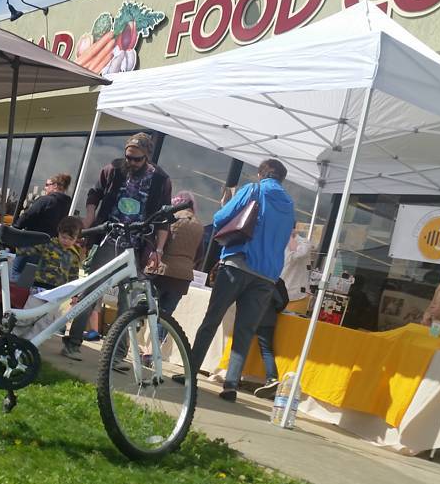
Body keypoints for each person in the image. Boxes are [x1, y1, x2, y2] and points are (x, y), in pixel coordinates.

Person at [175, 159, 295, 402]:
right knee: (245, 331)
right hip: (267, 276)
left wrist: (226, 204)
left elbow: (221, 218)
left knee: (212, 320)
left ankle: (191, 370)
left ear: (262, 174)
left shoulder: (254, 189)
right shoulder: (290, 206)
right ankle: (230, 384)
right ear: (281, 179)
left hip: (239, 263)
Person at [60, 133, 172, 362]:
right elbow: (95, 193)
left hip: (138, 246)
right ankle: (72, 343)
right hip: (109, 238)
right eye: (128, 157)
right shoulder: (114, 168)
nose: (131, 162)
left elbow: (164, 219)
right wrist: (90, 217)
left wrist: (158, 250)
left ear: (147, 157)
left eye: (137, 159)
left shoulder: (161, 179)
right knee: (91, 290)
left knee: (128, 300)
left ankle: (117, 356)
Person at [147, 191, 204, 319]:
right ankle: (159, 339)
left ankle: (132, 334)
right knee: (165, 317)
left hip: (160, 272)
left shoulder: (169, 218)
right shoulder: (199, 226)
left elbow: (158, 242)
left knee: (145, 310)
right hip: (181, 278)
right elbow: (200, 255)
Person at [14, 216, 83, 290]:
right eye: (64, 237)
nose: (66, 241)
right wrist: (13, 246)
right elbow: (29, 249)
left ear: (76, 238)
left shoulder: (74, 254)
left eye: (71, 239)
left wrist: (74, 293)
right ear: (59, 232)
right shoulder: (48, 244)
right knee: (34, 301)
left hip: (58, 289)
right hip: (39, 285)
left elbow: (73, 275)